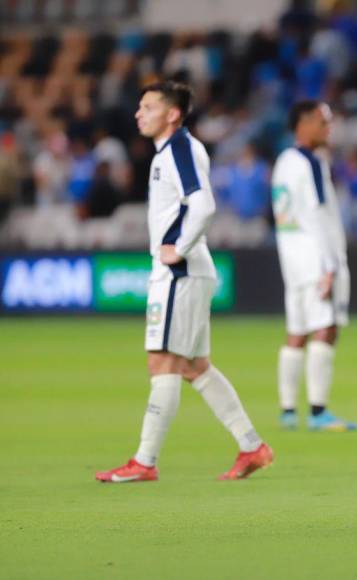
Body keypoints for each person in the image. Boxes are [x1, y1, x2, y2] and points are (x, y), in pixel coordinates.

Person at [96, 81, 272, 483]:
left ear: (172, 113)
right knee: (195, 367)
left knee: (163, 363)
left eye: (148, 107)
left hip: (180, 271)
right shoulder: (169, 152)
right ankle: (252, 446)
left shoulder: (178, 148)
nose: (139, 113)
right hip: (187, 270)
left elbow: (204, 203)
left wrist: (178, 246)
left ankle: (145, 461)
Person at [272, 101, 357, 432]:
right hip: (315, 257)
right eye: (324, 122)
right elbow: (315, 214)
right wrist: (329, 265)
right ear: (304, 124)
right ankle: (319, 411)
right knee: (326, 326)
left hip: (291, 258)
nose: (329, 129)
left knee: (296, 330)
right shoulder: (309, 162)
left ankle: (288, 410)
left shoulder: (283, 161)